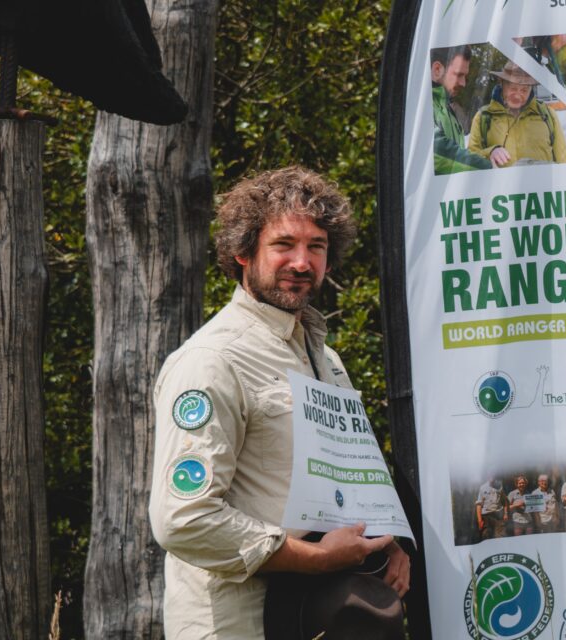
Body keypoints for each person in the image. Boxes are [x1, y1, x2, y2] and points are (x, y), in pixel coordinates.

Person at [148, 167, 411, 639]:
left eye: (316, 246)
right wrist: (313, 559)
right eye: (283, 244)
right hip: (235, 624)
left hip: (316, 615)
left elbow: (348, 478)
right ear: (242, 253)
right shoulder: (211, 361)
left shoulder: (325, 358)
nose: (302, 262)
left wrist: (386, 544)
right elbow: (182, 520)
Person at [468, 60, 566, 166]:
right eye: (513, 88)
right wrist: (490, 152)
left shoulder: (547, 115)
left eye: (524, 90)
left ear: (531, 89)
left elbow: (564, 161)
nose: (517, 95)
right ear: (502, 83)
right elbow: (469, 159)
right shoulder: (483, 117)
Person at [431, 45, 492, 174]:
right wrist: (495, 170)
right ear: (437, 69)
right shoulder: (424, 111)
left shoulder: (448, 110)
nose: (463, 83)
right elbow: (444, 155)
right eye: (459, 75)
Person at [475, 474, 506, 540]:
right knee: (486, 537)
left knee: (500, 538)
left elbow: (504, 502)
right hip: (487, 517)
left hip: (498, 517)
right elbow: (479, 505)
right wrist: (479, 520)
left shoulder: (500, 486)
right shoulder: (482, 488)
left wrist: (505, 514)